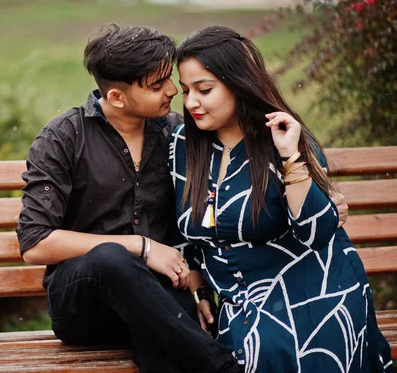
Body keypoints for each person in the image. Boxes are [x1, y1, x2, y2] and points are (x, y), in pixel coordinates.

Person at [16, 24, 243, 372]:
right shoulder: (64, 138)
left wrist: (196, 288)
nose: (172, 91)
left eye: (169, 79)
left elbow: (220, 185)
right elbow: (35, 243)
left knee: (163, 343)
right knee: (113, 258)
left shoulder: (176, 135)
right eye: (157, 86)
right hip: (83, 306)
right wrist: (140, 246)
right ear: (117, 98)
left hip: (156, 294)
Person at [168, 26, 393, 373]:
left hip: (313, 292)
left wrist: (290, 158)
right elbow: (186, 231)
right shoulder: (184, 143)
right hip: (239, 304)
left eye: (204, 89)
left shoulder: (283, 138)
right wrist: (197, 291)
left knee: (272, 351)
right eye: (186, 91)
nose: (191, 102)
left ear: (239, 83)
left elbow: (315, 234)